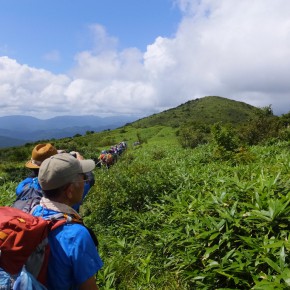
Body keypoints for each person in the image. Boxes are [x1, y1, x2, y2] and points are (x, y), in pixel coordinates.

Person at [31, 153, 103, 290]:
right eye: (83, 178)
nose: (85, 182)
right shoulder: (77, 235)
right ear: (70, 190)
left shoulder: (34, 213)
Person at [15, 144, 94, 212]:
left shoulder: (23, 187)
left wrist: (38, 164)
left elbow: (37, 174)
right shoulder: (69, 190)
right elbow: (90, 179)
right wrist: (79, 164)